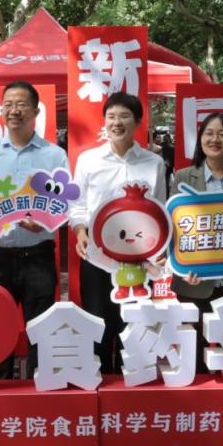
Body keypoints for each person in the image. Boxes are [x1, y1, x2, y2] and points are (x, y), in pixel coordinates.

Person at [0, 81, 68, 378]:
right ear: (1, 111)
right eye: (8, 105)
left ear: (36, 111)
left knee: (41, 327)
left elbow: (63, 204)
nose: (14, 111)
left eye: (21, 104)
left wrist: (45, 221)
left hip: (38, 255)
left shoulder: (55, 155)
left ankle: (40, 387)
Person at [71, 92, 166, 374]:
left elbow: (160, 209)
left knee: (132, 325)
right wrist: (80, 231)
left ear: (137, 121)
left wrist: (159, 252)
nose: (117, 122)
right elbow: (77, 205)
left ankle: (131, 385)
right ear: (104, 121)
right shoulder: (88, 160)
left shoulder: (153, 162)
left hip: (138, 259)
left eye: (124, 116)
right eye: (111, 116)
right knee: (98, 323)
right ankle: (100, 383)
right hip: (97, 257)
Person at [170, 112, 223, 372]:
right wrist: (182, 268)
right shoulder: (183, 177)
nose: (215, 139)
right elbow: (174, 228)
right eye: (209, 133)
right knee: (194, 353)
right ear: (200, 140)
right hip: (194, 283)